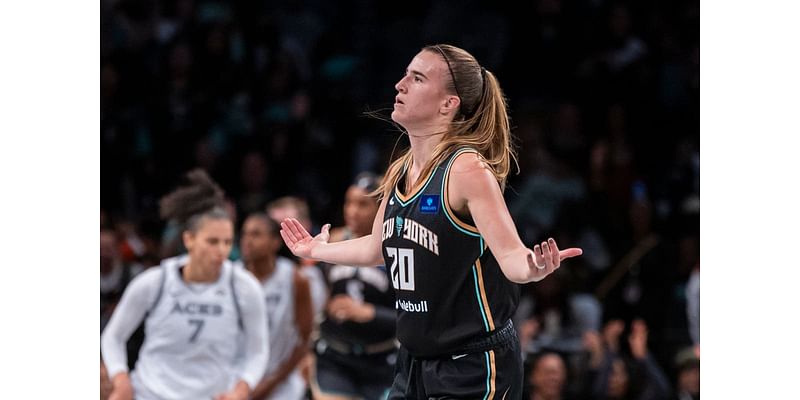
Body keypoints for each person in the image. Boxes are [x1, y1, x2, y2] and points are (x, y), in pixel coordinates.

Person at [279, 44, 583, 399]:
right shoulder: (400, 169)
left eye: (417, 78)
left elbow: (513, 259)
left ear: (448, 104)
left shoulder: (467, 170)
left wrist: (534, 268)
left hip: (473, 365)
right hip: (414, 363)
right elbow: (379, 246)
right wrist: (319, 249)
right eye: (406, 74)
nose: (399, 85)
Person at [101, 169, 269, 400]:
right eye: (212, 241)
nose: (221, 251)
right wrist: (121, 381)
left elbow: (258, 350)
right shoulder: (155, 281)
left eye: (227, 242)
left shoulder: (244, 287)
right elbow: (113, 337)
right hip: (151, 393)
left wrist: (241, 388)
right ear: (189, 239)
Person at [313, 172, 397, 400]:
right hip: (335, 356)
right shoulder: (329, 245)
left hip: (382, 358)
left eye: (362, 204)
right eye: (349, 202)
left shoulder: (396, 248)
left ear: (380, 208)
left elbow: (413, 314)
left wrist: (370, 313)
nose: (352, 211)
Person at [239, 213, 314, 400]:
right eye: (245, 234)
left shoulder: (295, 279)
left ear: (275, 242)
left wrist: (271, 383)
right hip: (237, 377)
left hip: (280, 380)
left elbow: (305, 339)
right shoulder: (232, 278)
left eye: (256, 234)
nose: (247, 240)